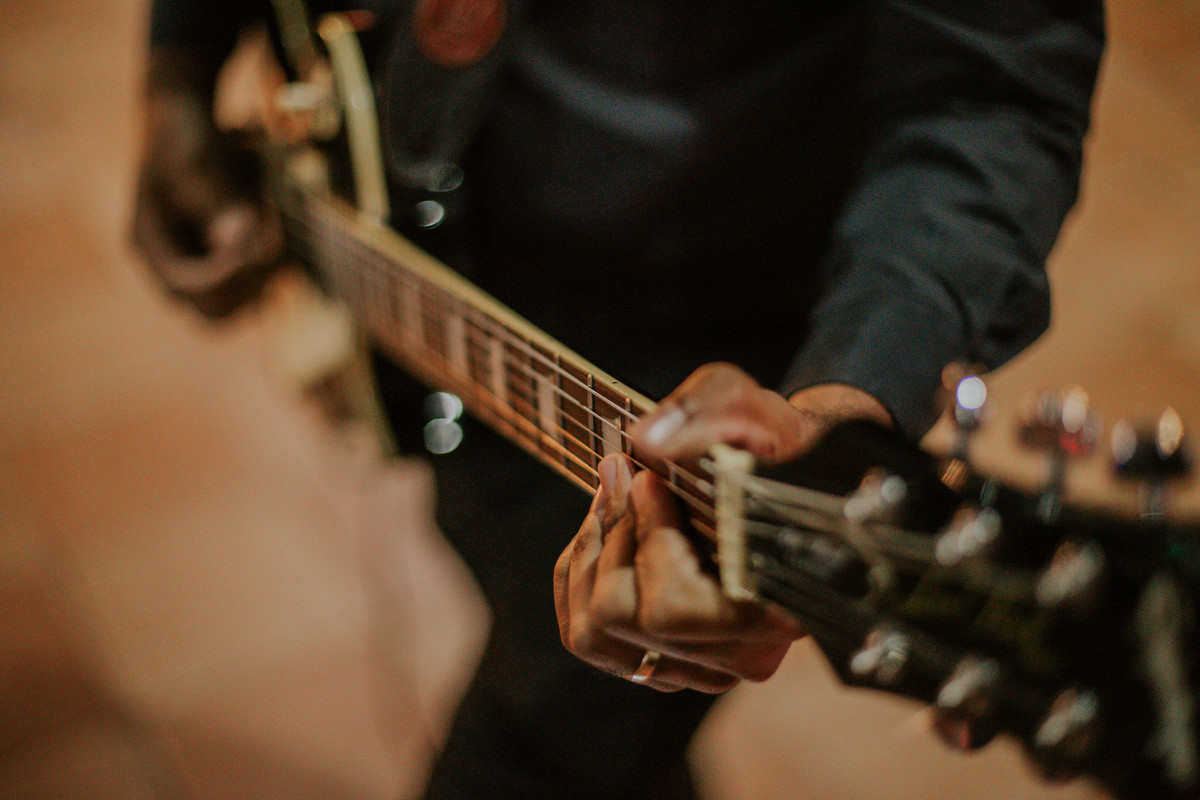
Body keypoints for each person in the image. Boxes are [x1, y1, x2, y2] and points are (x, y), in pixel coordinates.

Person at [133, 1, 1105, 797]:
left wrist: (842, 412)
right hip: (446, 266)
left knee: (545, 742)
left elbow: (992, 95)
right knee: (521, 597)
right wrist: (177, 67)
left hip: (705, 358)